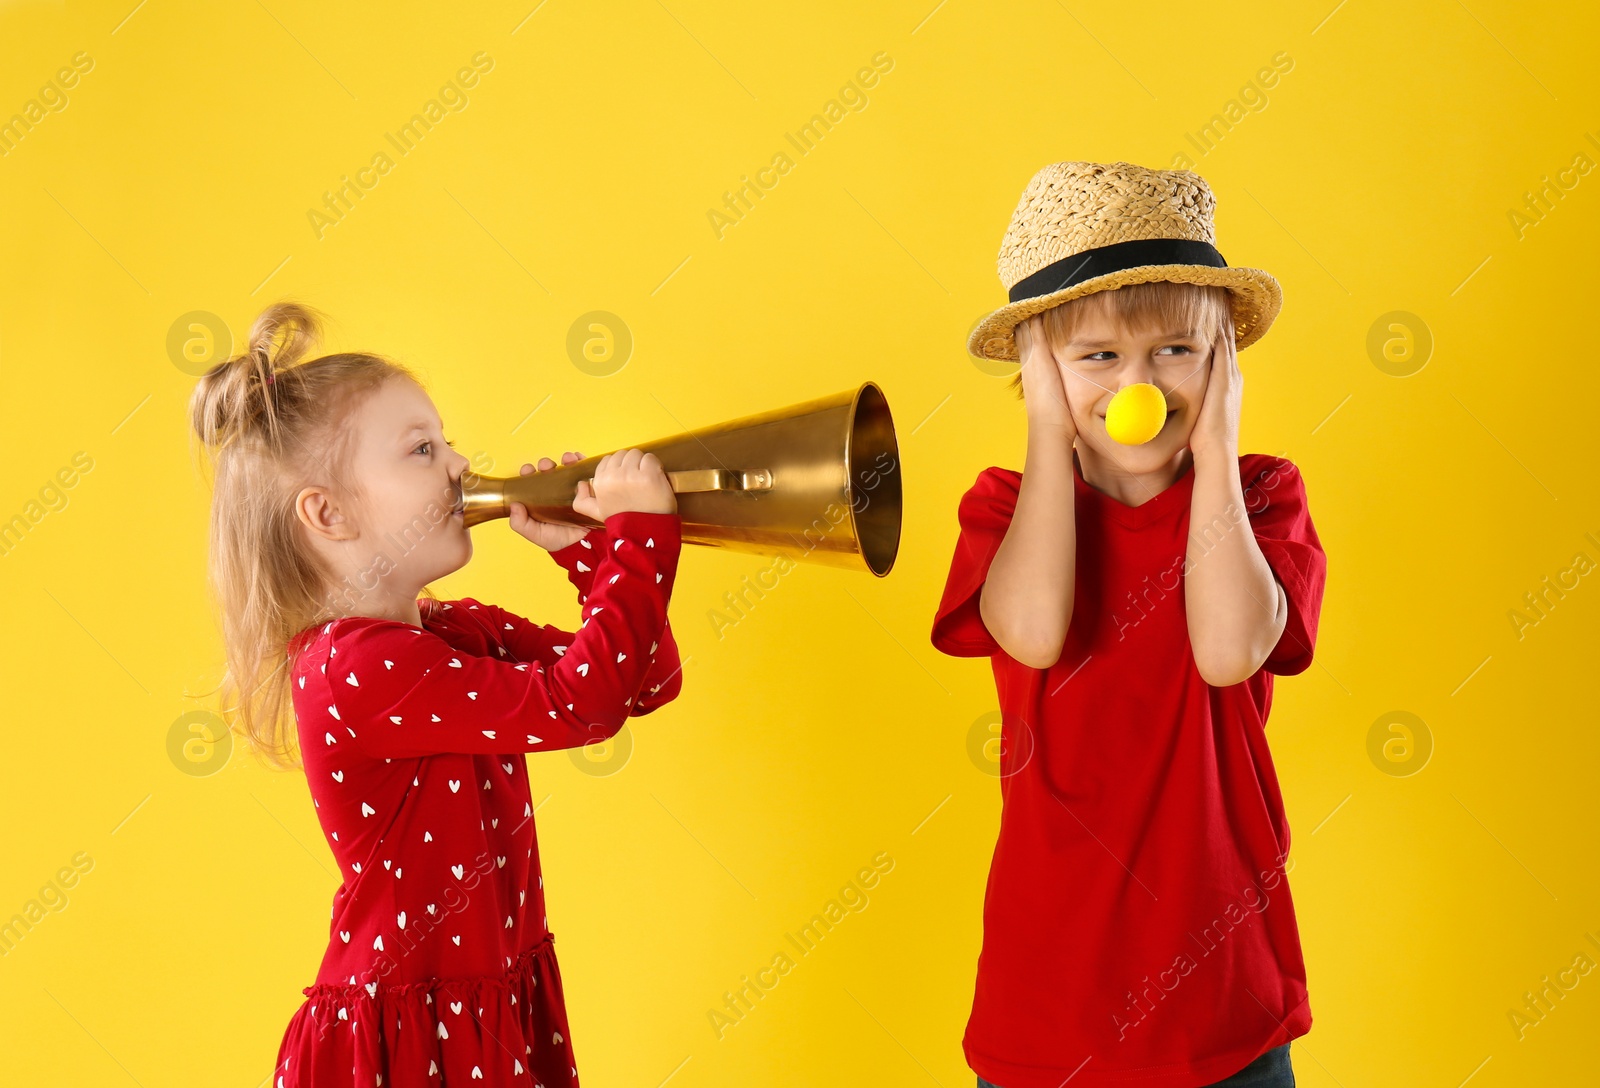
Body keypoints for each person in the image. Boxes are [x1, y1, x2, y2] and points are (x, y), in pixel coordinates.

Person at [187, 301, 684, 1086]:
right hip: (409, 1033)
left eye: (446, 441)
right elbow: (579, 703)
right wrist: (638, 542)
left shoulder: (451, 633)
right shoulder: (355, 669)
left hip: (484, 1007)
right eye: (422, 450)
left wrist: (596, 557)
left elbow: (642, 681)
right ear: (328, 513)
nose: (459, 465)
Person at [932, 161, 1328, 1088]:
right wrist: (1045, 434)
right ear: (1039, 369)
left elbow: (1229, 651)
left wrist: (1219, 446)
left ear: (1223, 360)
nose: (1137, 383)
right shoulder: (1003, 510)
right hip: (1048, 1007)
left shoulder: (1264, 496)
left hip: (1224, 1006)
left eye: (1175, 352)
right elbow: (1032, 630)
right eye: (1096, 355)